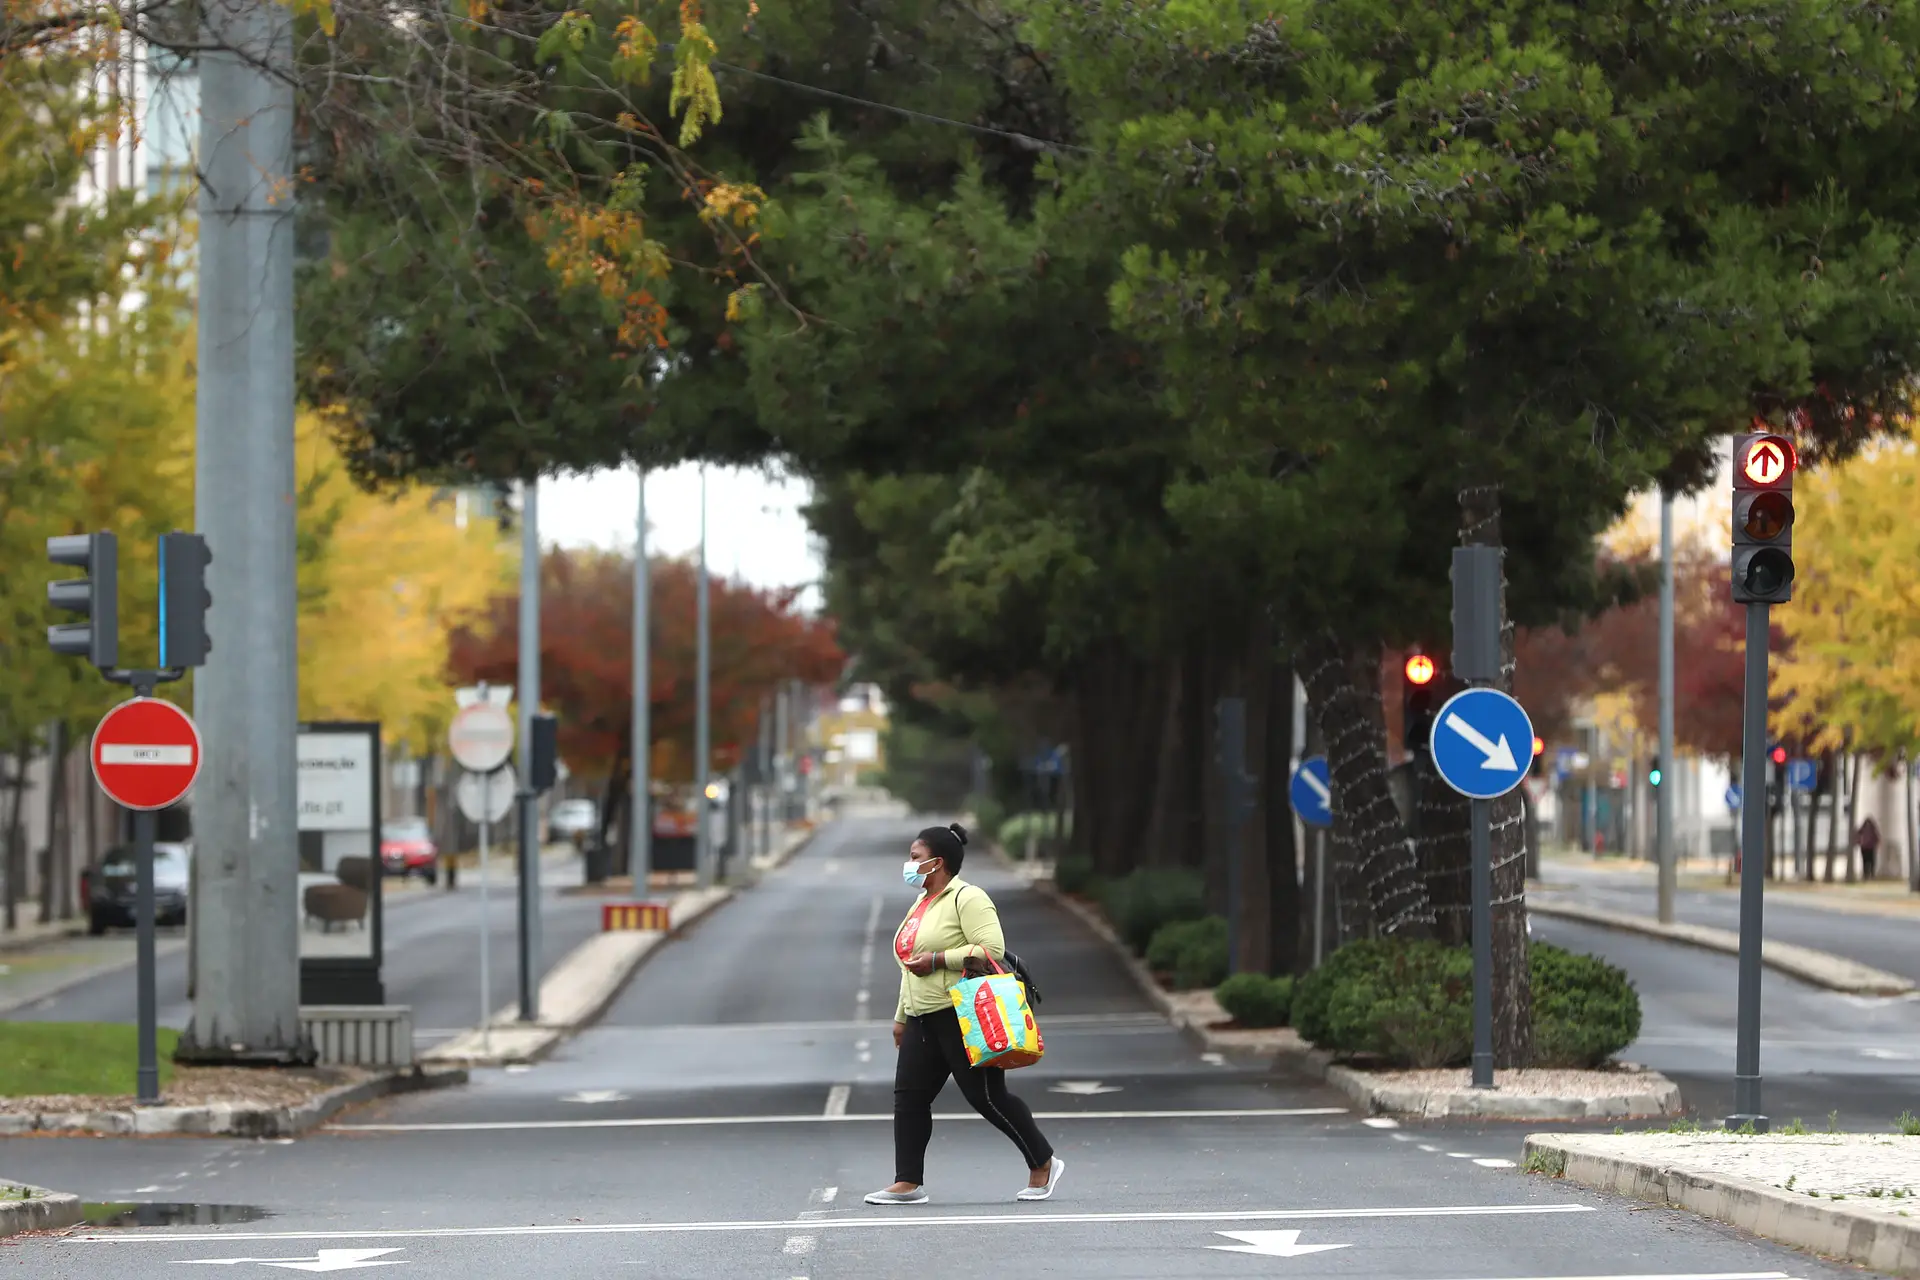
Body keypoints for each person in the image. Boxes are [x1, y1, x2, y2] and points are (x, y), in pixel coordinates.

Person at [865, 823, 1064, 1206]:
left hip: (962, 1014)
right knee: (909, 1098)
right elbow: (909, 965)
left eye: (915, 857)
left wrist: (939, 959)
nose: (909, 864)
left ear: (937, 862)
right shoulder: (921, 904)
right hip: (922, 1016)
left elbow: (991, 949)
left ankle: (1043, 1161)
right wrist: (901, 1017)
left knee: (986, 1096)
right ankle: (907, 1182)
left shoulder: (968, 898)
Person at [1858, 816, 1882, 881]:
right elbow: (1858, 835)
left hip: (1870, 847)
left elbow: (1877, 837)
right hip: (1865, 847)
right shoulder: (1864, 829)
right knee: (1866, 862)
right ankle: (1866, 874)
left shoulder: (1872, 829)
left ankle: (1870, 874)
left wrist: (1877, 843)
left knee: (1871, 862)